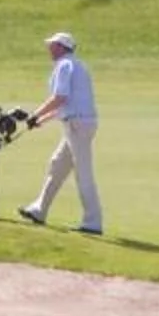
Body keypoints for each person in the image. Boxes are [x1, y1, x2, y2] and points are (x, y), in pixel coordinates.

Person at [21, 30, 103, 235]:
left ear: (61, 47)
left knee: (83, 173)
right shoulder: (77, 64)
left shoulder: (64, 65)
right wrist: (41, 120)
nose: (49, 48)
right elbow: (65, 104)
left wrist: (34, 115)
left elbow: (60, 98)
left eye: (52, 45)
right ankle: (39, 210)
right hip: (78, 123)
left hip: (77, 124)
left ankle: (93, 222)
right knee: (57, 165)